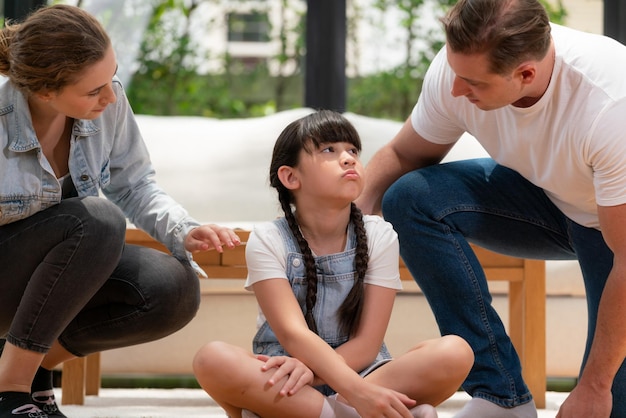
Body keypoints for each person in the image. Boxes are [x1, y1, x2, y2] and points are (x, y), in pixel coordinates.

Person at [355, 0, 626, 417]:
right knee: (410, 197)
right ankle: (501, 397)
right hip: (551, 200)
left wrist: (594, 386)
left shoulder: (609, 103)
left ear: (526, 74)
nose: (455, 91)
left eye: (472, 83)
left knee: (606, 403)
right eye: (455, 72)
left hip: (615, 231)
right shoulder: (457, 72)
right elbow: (405, 154)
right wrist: (348, 221)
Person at [0, 5, 241, 418]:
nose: (111, 97)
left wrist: (182, 230)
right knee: (97, 219)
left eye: (112, 77)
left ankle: (24, 367)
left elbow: (135, 184)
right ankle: (11, 391)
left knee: (173, 287)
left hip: (52, 277)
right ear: (44, 92)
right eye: (94, 91)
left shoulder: (108, 103)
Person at [192, 110, 474, 418]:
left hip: (361, 374)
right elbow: (292, 334)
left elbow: (367, 344)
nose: (349, 158)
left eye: (353, 150)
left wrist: (339, 382)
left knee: (456, 352)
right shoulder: (268, 239)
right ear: (290, 177)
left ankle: (323, 412)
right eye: (330, 150)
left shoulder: (380, 234)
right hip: (287, 378)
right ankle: (358, 413)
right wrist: (359, 396)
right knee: (212, 359)